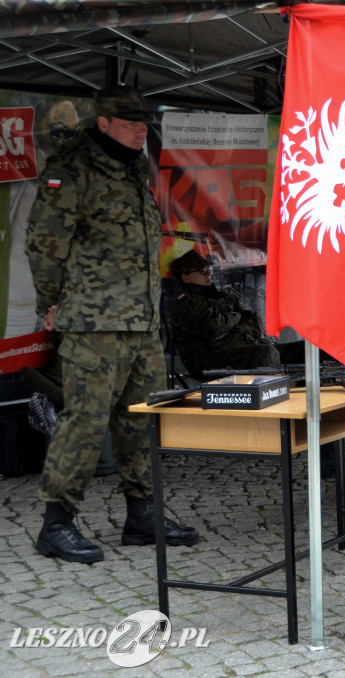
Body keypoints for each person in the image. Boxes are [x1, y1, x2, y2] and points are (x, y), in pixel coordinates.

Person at [24, 85, 199, 564]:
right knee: (85, 421)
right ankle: (55, 523)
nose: (140, 128)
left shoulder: (134, 166)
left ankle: (142, 516)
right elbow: (44, 243)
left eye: (142, 121)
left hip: (140, 320)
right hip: (93, 321)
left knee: (142, 416)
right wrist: (52, 304)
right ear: (103, 123)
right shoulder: (72, 168)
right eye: (128, 122)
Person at [168, 249, 281, 378]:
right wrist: (236, 317)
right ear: (185, 277)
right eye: (202, 271)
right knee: (266, 353)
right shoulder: (185, 300)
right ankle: (269, 394)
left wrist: (229, 327)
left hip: (243, 347)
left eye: (208, 270)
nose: (208, 274)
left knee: (300, 351)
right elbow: (213, 326)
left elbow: (252, 319)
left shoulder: (221, 296)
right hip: (209, 359)